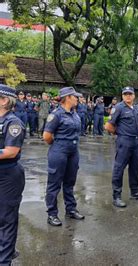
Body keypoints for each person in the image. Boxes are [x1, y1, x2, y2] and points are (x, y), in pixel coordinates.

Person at [43, 87, 85, 226]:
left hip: (73, 151)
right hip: (59, 151)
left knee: (70, 182)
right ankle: (52, 214)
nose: (77, 99)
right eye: (75, 97)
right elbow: (47, 136)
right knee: (54, 183)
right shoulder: (56, 115)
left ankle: (71, 209)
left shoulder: (74, 114)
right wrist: (57, 146)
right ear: (67, 98)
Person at [105, 87, 138, 208]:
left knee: (135, 168)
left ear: (134, 96)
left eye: (130, 94)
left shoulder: (135, 108)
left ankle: (135, 192)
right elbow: (108, 126)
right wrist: (119, 133)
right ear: (122, 96)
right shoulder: (119, 108)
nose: (128, 96)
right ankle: (117, 196)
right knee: (119, 169)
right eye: (125, 94)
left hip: (135, 142)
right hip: (124, 142)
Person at [0, 84, 26, 264]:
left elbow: (11, 151)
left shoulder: (13, 123)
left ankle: (4, 260)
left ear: (4, 100)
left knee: (7, 218)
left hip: (8, 174)